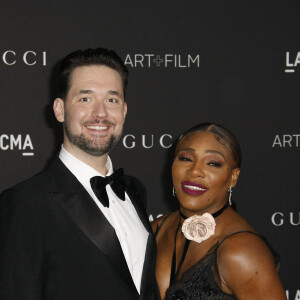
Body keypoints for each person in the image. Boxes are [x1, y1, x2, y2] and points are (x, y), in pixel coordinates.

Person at [0, 48, 158, 300]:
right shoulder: (26, 203)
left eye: (112, 99)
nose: (101, 113)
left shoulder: (134, 190)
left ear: (124, 111)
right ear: (60, 110)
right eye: (85, 99)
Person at [152, 122, 286, 300]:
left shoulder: (241, 250)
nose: (194, 171)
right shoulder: (156, 230)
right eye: (186, 158)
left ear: (233, 177)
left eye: (213, 163)